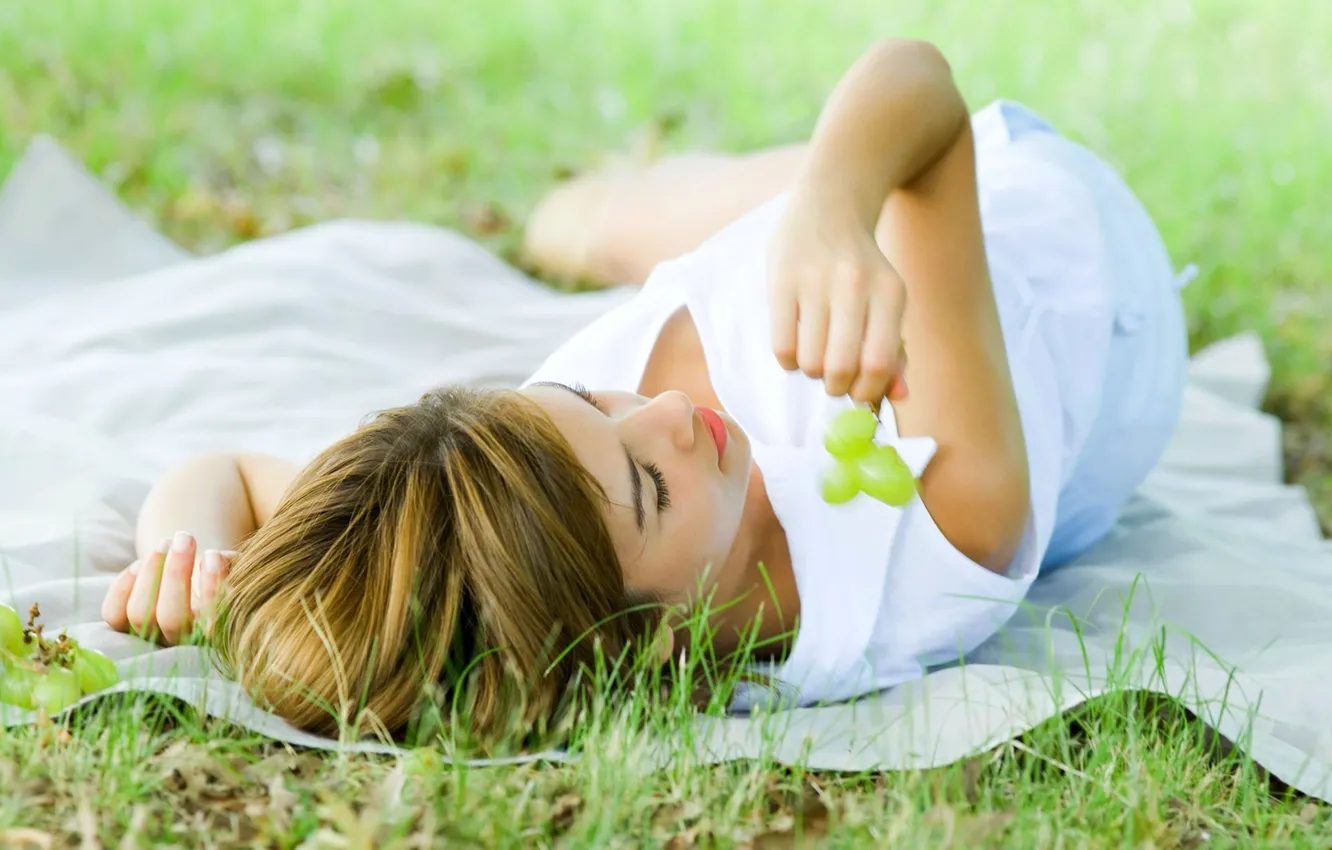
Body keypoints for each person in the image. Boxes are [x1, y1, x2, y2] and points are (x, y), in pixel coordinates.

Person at [99, 38, 1189, 743]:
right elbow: (925, 101)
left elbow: (227, 472)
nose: (663, 412)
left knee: (634, 228)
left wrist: (188, 561)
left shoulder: (510, 502)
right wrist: (845, 204)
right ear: (630, 646)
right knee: (798, 194)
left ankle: (597, 212)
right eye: (646, 487)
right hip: (1048, 229)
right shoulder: (946, 522)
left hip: (806, 241)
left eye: (594, 398)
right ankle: (689, 207)